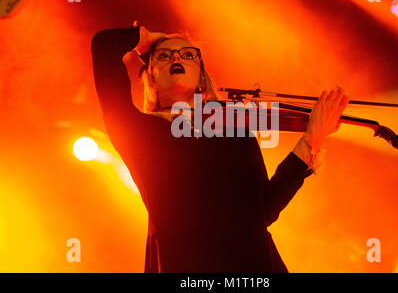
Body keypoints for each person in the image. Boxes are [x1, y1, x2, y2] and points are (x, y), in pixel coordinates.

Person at [90, 24, 349, 272]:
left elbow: (264, 210)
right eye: (164, 55)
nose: (176, 58)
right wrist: (144, 38)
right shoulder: (139, 133)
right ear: (151, 78)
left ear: (201, 76)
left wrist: (311, 140)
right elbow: (103, 45)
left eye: (188, 55)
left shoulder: (233, 129)